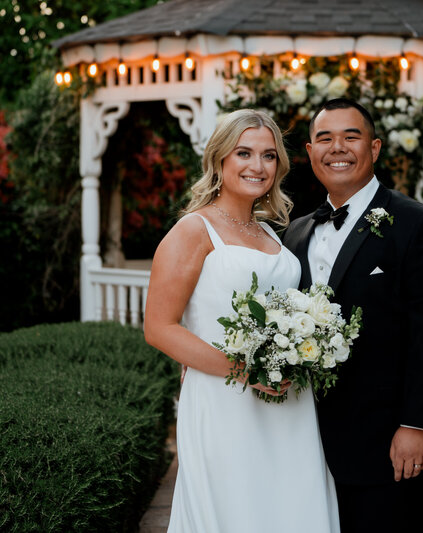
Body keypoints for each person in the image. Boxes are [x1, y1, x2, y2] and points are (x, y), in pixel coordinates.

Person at [144, 109, 340, 533]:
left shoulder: (271, 232)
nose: (258, 166)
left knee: (290, 507)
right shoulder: (193, 230)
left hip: (289, 402)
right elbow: (159, 327)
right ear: (219, 160)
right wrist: (246, 371)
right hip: (225, 400)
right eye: (244, 153)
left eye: (269, 156)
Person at [282, 98, 423, 532]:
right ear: (309, 153)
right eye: (325, 138)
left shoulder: (421, 226)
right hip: (310, 442)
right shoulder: (295, 232)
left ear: (375, 147)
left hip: (391, 441)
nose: (338, 147)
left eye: (352, 136)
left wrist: (417, 425)